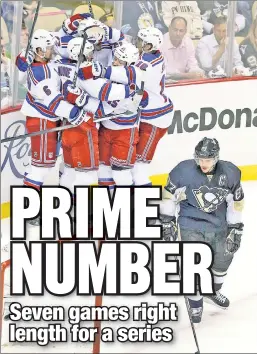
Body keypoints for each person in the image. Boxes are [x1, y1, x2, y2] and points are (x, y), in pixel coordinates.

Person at [158, 137, 244, 323]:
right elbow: (168, 196)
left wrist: (235, 226)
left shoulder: (230, 173)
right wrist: (167, 221)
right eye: (200, 159)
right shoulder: (182, 171)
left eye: (207, 160)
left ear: (216, 158)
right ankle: (195, 302)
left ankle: (211, 291)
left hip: (218, 224)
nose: (203, 164)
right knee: (193, 263)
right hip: (191, 222)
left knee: (224, 257)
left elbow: (235, 202)